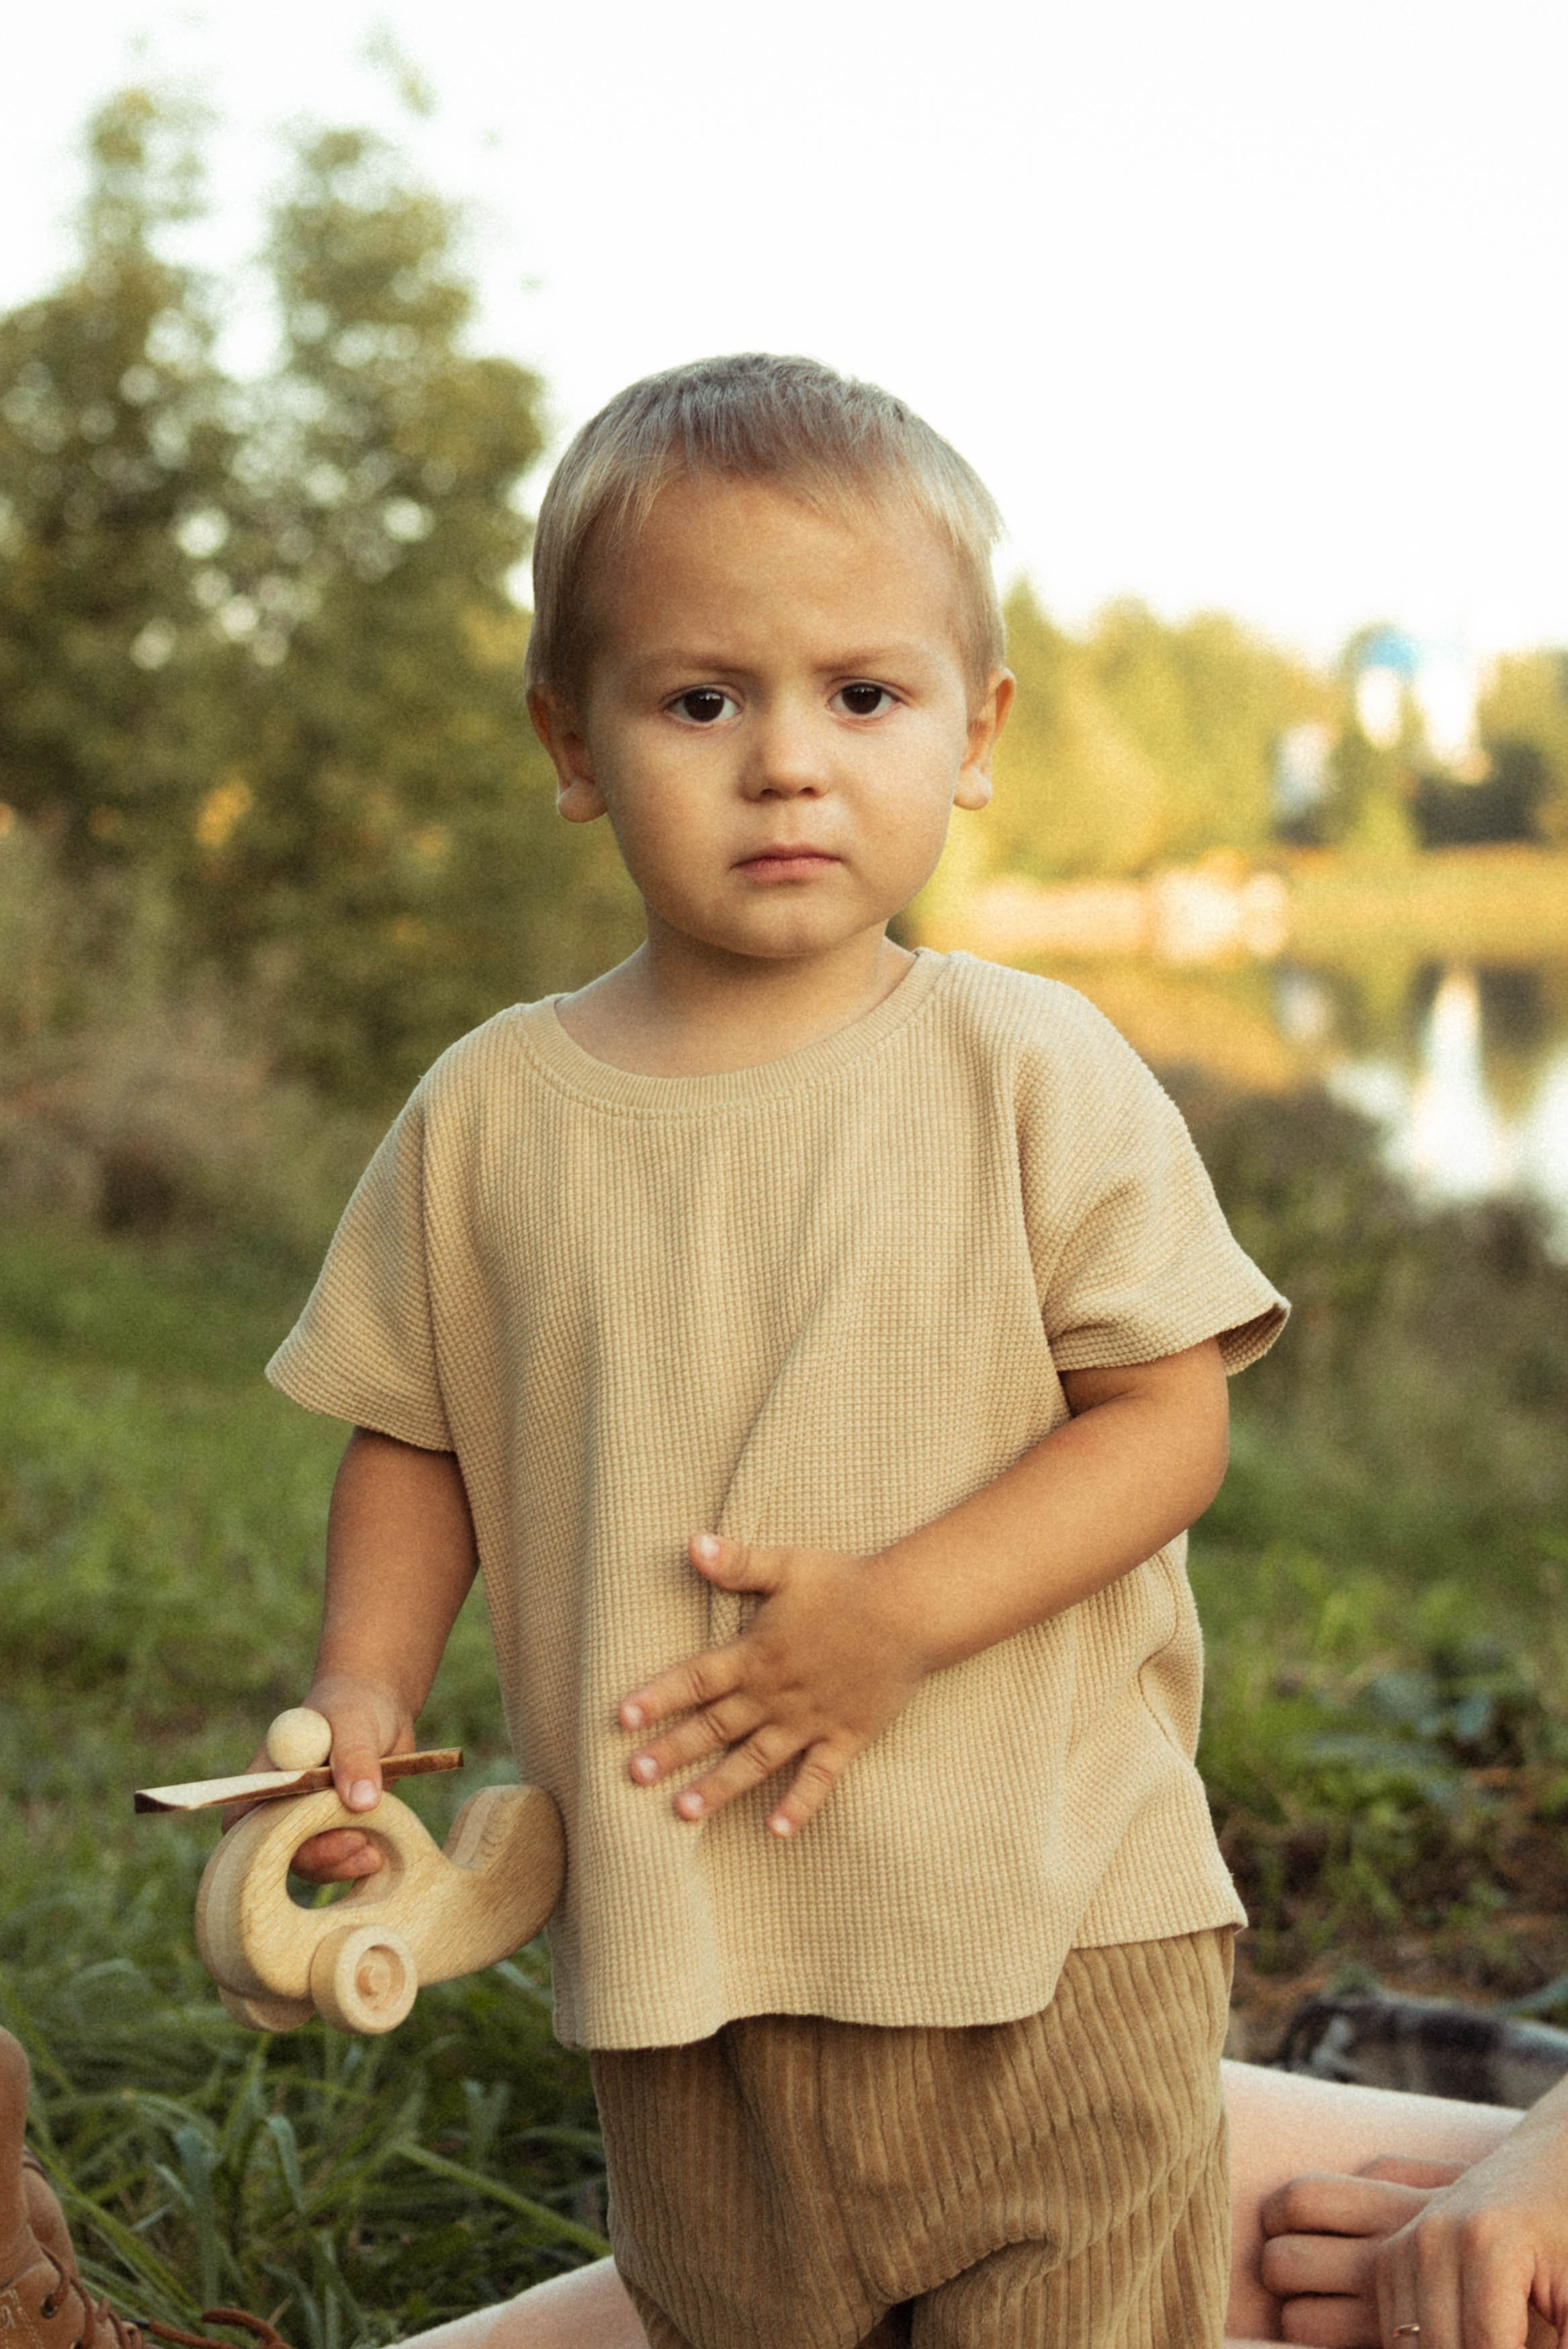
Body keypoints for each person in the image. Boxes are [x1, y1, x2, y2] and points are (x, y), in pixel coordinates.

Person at [258, 352, 1289, 2349]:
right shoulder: (490, 1112)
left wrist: (895, 1617)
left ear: (975, 733)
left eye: (865, 696)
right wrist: (366, 1687)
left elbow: (1165, 1425)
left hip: (1049, 1928)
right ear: (573, 741)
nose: (788, 762)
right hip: (685, 1945)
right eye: (702, 699)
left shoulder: (1026, 1067)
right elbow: (418, 1429)